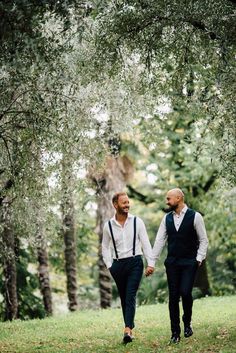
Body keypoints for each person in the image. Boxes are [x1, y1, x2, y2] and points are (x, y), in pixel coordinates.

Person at [145, 188, 208, 343]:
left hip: (189, 262)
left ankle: (187, 322)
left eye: (169, 199)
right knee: (173, 297)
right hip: (172, 263)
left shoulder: (195, 216)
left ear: (179, 198)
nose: (167, 202)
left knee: (186, 293)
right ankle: (175, 333)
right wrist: (151, 263)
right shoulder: (166, 219)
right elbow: (159, 241)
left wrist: (199, 258)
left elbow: (203, 240)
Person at [102, 192, 153, 344]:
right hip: (117, 265)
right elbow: (104, 247)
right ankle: (130, 327)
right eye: (123, 203)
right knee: (124, 297)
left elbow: (145, 243)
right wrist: (109, 265)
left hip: (135, 262)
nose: (127, 205)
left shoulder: (137, 222)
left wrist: (151, 263)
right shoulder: (108, 226)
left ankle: (127, 329)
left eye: (128, 202)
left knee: (130, 294)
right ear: (115, 205)